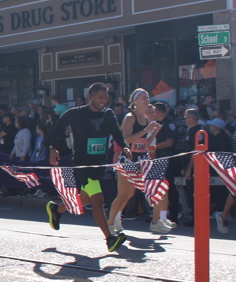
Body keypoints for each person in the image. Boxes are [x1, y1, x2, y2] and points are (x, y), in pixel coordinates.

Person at [46, 82, 131, 252]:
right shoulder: (76, 113)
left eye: (105, 97)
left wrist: (125, 146)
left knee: (85, 199)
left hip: (99, 162)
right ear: (89, 97)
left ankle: (57, 209)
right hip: (83, 163)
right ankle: (110, 239)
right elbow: (58, 127)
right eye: (100, 97)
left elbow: (116, 132)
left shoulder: (108, 114)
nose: (103, 100)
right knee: (98, 201)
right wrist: (53, 148)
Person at [107, 89, 168, 235]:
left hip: (142, 159)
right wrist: (146, 129)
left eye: (147, 97)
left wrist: (154, 132)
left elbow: (144, 143)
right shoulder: (130, 117)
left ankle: (157, 222)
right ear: (135, 101)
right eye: (143, 97)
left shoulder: (146, 119)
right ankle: (111, 223)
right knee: (123, 195)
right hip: (128, 159)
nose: (147, 100)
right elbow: (125, 140)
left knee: (158, 186)